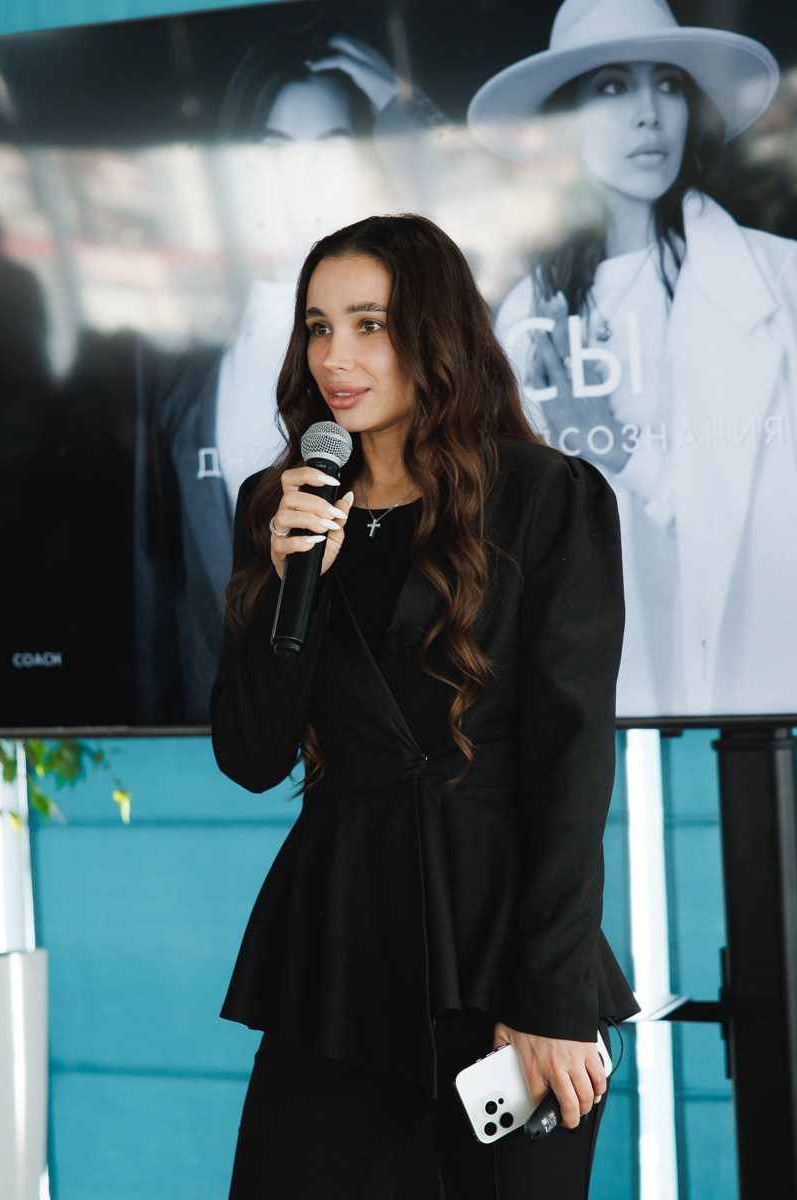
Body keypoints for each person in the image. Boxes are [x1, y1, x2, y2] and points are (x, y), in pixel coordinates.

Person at [210, 212, 639, 1199]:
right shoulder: (278, 506)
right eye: (317, 328)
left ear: (433, 334)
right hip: (336, 955)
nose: (335, 358)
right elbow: (250, 756)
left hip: (503, 950)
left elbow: (570, 764)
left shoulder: (543, 495)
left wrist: (550, 997)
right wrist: (282, 584)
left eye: (369, 324)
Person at [468, 0, 797, 720]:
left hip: (764, 680)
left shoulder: (782, 282)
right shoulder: (525, 318)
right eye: (613, 87)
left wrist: (623, 449)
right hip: (609, 696)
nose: (649, 114)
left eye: (668, 84)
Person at [134, 25, 449, 725]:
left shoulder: (421, 364)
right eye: (275, 150)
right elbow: (163, 588)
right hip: (246, 725)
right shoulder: (181, 369)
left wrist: (405, 108)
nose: (300, 177)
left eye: (330, 148)